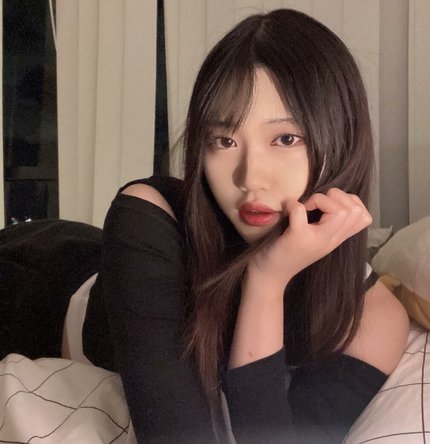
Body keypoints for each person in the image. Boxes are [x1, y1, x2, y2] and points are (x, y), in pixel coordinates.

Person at [0, 9, 409, 443]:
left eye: (285, 139)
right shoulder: (148, 211)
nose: (250, 178)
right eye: (224, 141)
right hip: (33, 281)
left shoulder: (374, 317)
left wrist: (266, 281)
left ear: (343, 140)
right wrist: (267, 278)